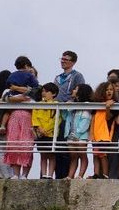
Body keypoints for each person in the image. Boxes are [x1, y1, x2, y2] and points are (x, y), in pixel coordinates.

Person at [53, 51, 85, 179]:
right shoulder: (57, 77)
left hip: (69, 114)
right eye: (62, 58)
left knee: (66, 145)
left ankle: (66, 174)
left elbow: (81, 92)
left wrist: (70, 103)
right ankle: (57, 174)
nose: (63, 61)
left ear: (73, 62)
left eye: (66, 59)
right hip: (57, 114)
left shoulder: (77, 76)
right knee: (57, 144)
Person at [64, 84, 94, 179]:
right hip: (70, 134)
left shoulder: (86, 105)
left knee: (82, 155)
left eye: (76, 89)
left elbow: (86, 120)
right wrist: (66, 107)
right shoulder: (72, 104)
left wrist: (77, 132)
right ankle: (70, 176)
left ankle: (80, 175)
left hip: (81, 135)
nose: (73, 90)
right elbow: (65, 117)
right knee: (73, 156)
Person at [89, 82, 118, 179]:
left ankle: (105, 174)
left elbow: (108, 117)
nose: (109, 91)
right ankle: (96, 173)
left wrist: (108, 108)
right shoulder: (96, 104)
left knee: (103, 154)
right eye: (107, 90)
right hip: (96, 133)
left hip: (105, 134)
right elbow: (93, 119)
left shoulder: (114, 104)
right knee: (95, 154)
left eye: (111, 89)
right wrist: (91, 134)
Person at [32, 83, 59, 180]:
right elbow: (34, 118)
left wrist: (46, 129)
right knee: (43, 154)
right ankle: (43, 174)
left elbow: (57, 120)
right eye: (43, 91)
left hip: (51, 134)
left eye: (47, 91)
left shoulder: (57, 105)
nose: (44, 93)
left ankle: (50, 175)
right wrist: (39, 128)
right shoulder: (38, 105)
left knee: (52, 154)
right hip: (40, 134)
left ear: (54, 94)